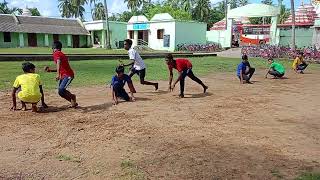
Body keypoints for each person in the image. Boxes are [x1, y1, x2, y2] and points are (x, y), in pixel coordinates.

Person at [44, 41, 78, 108]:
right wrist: (51, 70)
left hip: (68, 75)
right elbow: (61, 68)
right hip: (64, 75)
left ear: (54, 48)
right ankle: (72, 101)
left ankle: (73, 97)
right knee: (60, 92)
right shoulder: (60, 54)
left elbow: (58, 62)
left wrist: (57, 74)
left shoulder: (57, 53)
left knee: (61, 89)